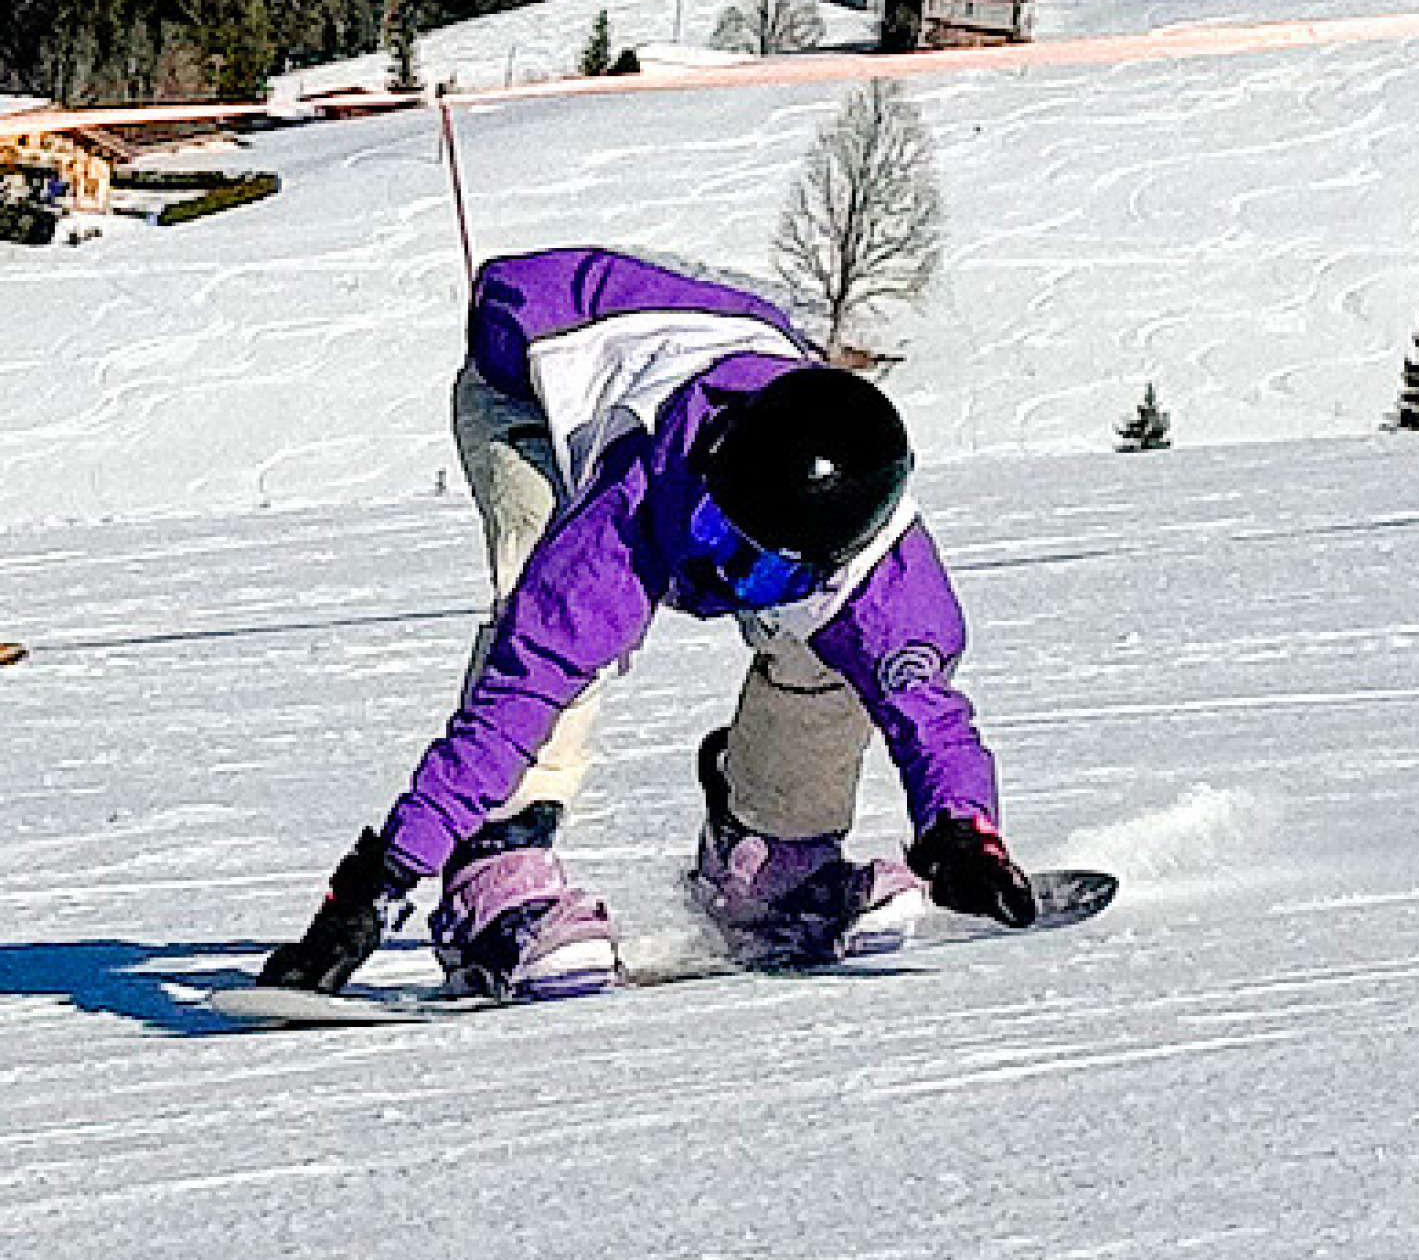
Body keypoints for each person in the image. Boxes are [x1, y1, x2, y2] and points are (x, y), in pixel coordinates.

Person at [260, 247, 1036, 1000]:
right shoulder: (631, 512)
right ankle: (493, 865)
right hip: (526, 376)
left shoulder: (887, 573)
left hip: (708, 357)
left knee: (830, 649)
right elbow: (513, 703)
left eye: (763, 571)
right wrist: (373, 887)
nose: (723, 578)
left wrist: (962, 830)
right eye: (714, 531)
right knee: (541, 593)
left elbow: (928, 716)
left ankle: (770, 853)